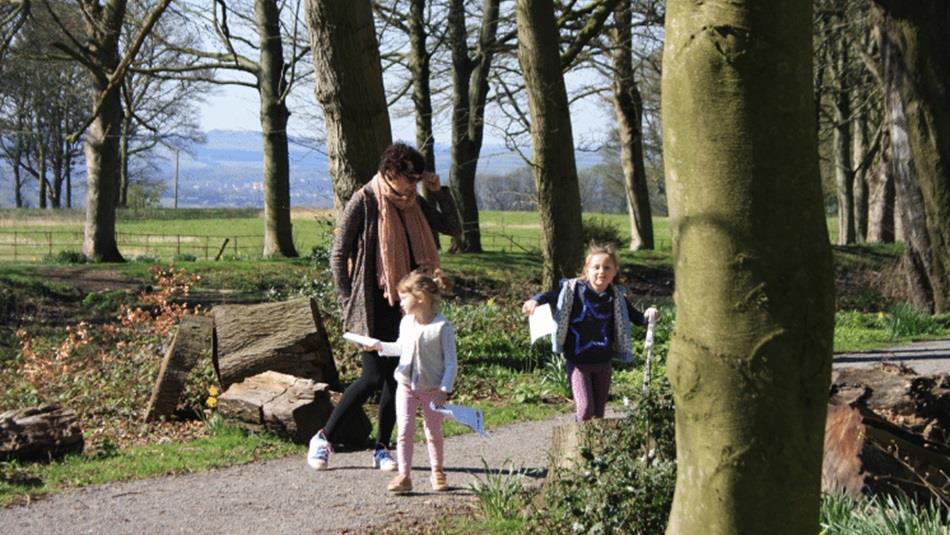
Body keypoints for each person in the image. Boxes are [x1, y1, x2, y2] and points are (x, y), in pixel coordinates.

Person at [308, 143, 459, 471]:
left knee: (398, 377)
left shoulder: (415, 202)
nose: (413, 185)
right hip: (372, 302)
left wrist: (439, 192)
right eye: (409, 178)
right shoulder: (365, 199)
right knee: (373, 376)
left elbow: (452, 228)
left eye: (418, 179)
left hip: (409, 304)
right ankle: (323, 438)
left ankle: (381, 448)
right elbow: (339, 253)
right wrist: (346, 299)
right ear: (390, 173)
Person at [522, 242, 658, 422]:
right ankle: (579, 446)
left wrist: (650, 314)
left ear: (615, 272)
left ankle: (594, 449)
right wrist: (535, 301)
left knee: (599, 413)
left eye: (607, 268)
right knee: (585, 409)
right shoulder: (572, 290)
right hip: (578, 363)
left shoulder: (616, 297)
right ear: (587, 269)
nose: (601, 271)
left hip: (603, 362)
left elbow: (638, 318)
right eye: (596, 267)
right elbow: (549, 296)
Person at [370, 271, 457, 493]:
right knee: (404, 430)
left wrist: (444, 390)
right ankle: (404, 475)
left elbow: (451, 364)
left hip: (432, 389)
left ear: (420, 298)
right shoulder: (406, 322)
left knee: (433, 431)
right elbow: (401, 347)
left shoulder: (442, 327)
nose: (400, 303)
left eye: (403, 298)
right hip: (406, 385)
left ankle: (437, 471)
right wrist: (380, 346)